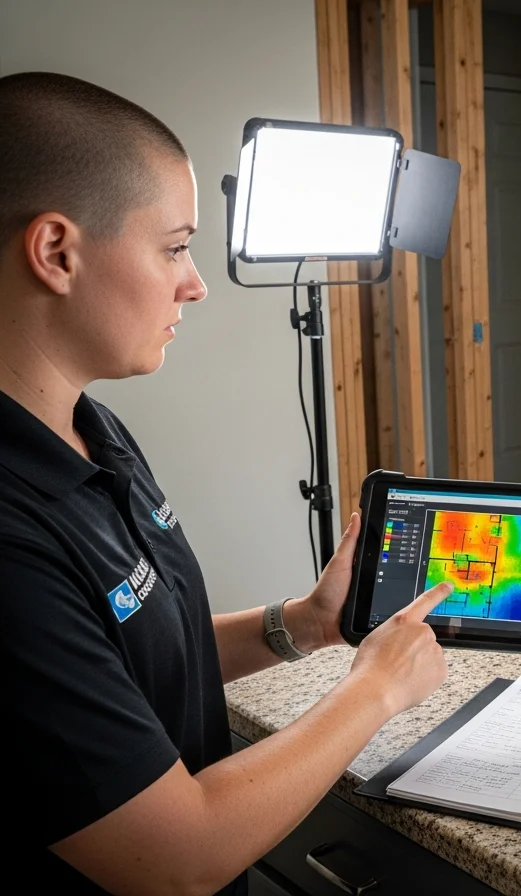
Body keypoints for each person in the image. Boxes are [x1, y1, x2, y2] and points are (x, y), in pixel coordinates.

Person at [0, 71, 452, 895]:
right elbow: (176, 858)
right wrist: (376, 690)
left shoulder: (92, 430)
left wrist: (302, 624)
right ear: (57, 251)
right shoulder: (11, 537)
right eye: (175, 246)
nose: (196, 282)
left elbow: (129, 654)